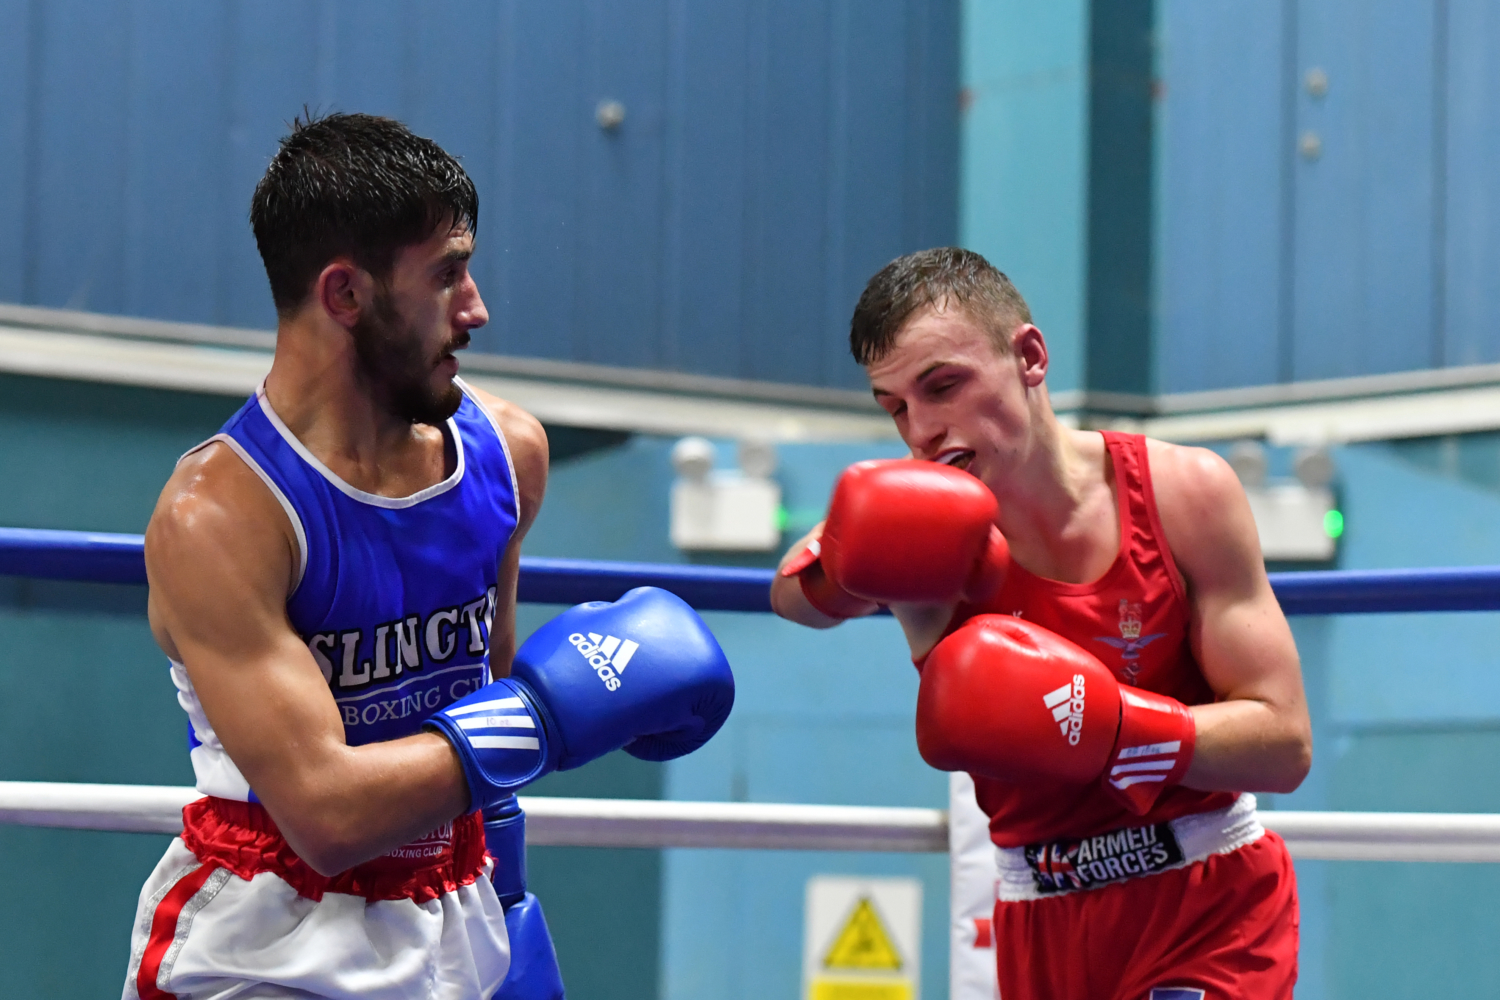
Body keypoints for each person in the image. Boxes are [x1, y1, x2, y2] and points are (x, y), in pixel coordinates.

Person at [122, 113, 735, 1000]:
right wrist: (550, 716)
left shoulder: (507, 452)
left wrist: (507, 870)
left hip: (461, 908)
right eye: (447, 274)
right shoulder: (221, 516)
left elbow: (481, 703)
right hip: (273, 942)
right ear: (345, 294)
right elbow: (327, 815)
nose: (476, 306)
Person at [773, 248, 1311, 999]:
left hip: (1207, 905)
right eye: (895, 407)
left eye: (944, 386)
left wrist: (1115, 729)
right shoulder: (927, 540)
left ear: (1028, 356)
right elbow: (792, 597)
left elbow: (1284, 742)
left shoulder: (1184, 494)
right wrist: (848, 557)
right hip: (1040, 923)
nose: (922, 430)